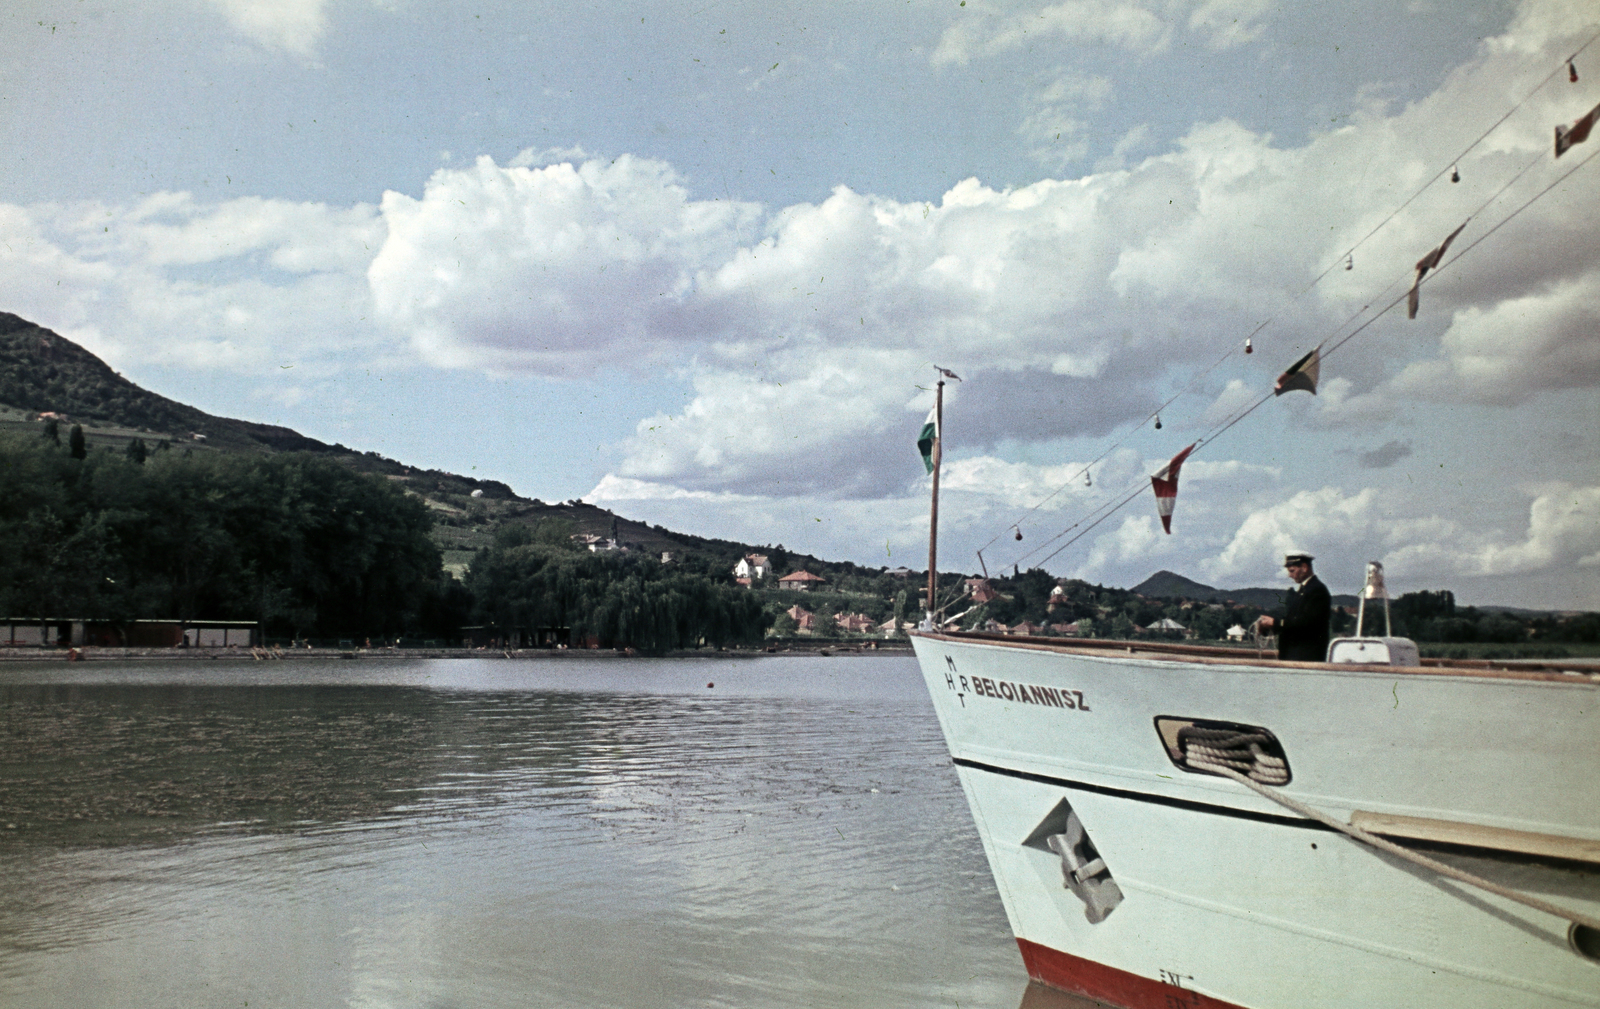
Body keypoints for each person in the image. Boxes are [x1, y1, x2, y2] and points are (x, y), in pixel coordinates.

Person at [1260, 552, 1331, 662]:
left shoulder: (1317, 590)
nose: (1290, 575)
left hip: (1306, 657)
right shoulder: (1304, 590)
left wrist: (1276, 623)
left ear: (1304, 567)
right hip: (1294, 656)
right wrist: (1269, 626)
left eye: (1292, 571)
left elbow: (1307, 623)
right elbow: (1292, 621)